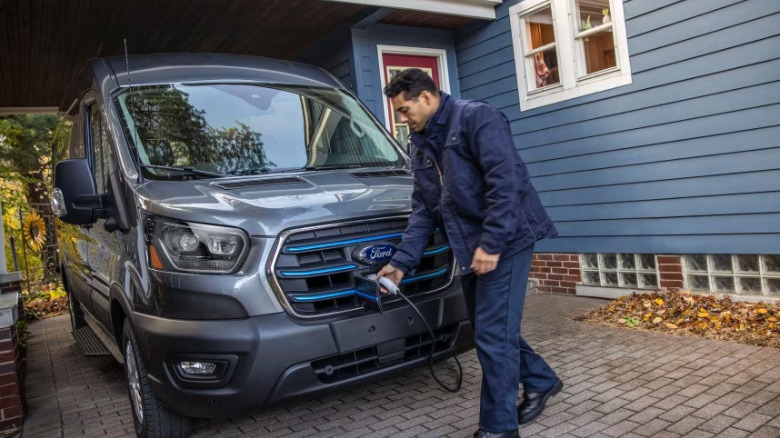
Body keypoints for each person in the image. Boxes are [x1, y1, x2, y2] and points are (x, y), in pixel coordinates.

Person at [376, 69, 563, 438]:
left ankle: (497, 429)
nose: (401, 119)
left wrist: (491, 244)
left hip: (506, 238)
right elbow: (424, 209)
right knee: (490, 331)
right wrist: (400, 263)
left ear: (426, 97)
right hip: (471, 246)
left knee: (494, 337)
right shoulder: (421, 141)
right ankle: (541, 379)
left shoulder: (477, 117)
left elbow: (506, 181)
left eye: (403, 110)